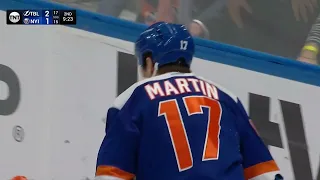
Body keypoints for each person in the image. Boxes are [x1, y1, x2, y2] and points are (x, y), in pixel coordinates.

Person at [94, 22, 283, 180]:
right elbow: (264, 171)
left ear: (149, 61)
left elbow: (111, 174)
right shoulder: (226, 97)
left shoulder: (130, 100)